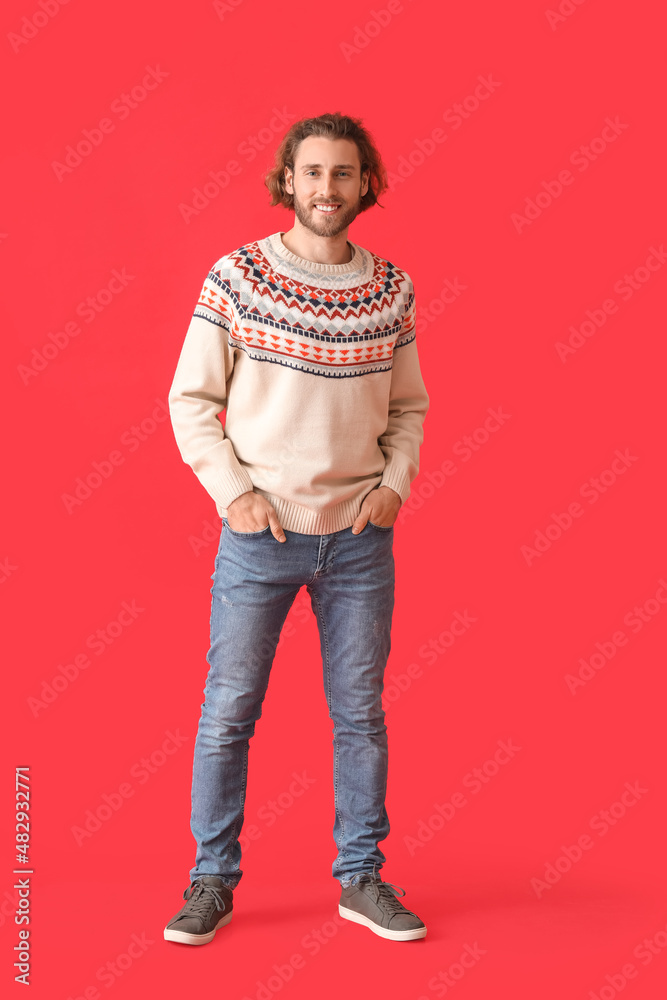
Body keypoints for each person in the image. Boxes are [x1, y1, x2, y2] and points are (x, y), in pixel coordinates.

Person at [164, 111, 430, 945]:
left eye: (343, 174)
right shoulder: (237, 277)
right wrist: (232, 493)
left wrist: (393, 487)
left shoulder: (392, 289)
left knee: (360, 713)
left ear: (365, 186)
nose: (327, 189)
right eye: (312, 173)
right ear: (288, 180)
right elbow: (190, 401)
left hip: (359, 539)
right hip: (259, 537)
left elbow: (410, 407)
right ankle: (211, 882)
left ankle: (360, 879)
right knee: (229, 711)